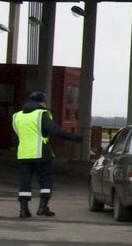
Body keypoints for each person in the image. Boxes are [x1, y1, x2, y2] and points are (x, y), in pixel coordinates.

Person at [12, 90, 82, 219]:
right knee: (45, 180)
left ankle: (23, 210)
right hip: (41, 153)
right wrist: (74, 137)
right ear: (41, 102)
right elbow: (54, 130)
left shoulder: (17, 116)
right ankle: (42, 207)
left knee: (24, 182)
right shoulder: (41, 114)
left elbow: (18, 134)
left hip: (24, 154)